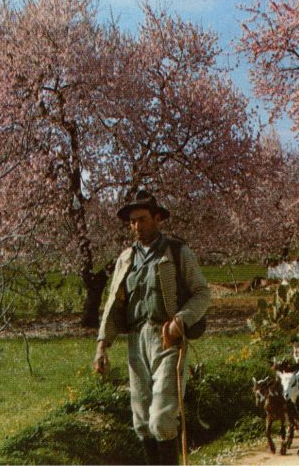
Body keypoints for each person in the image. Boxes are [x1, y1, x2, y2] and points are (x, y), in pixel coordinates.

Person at [93, 190, 211, 465]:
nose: (137, 226)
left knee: (161, 418)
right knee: (142, 421)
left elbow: (202, 293)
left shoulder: (177, 253)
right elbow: (113, 304)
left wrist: (181, 321)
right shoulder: (126, 259)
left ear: (157, 219)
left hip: (167, 340)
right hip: (136, 342)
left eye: (142, 219)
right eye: (132, 221)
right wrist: (102, 346)